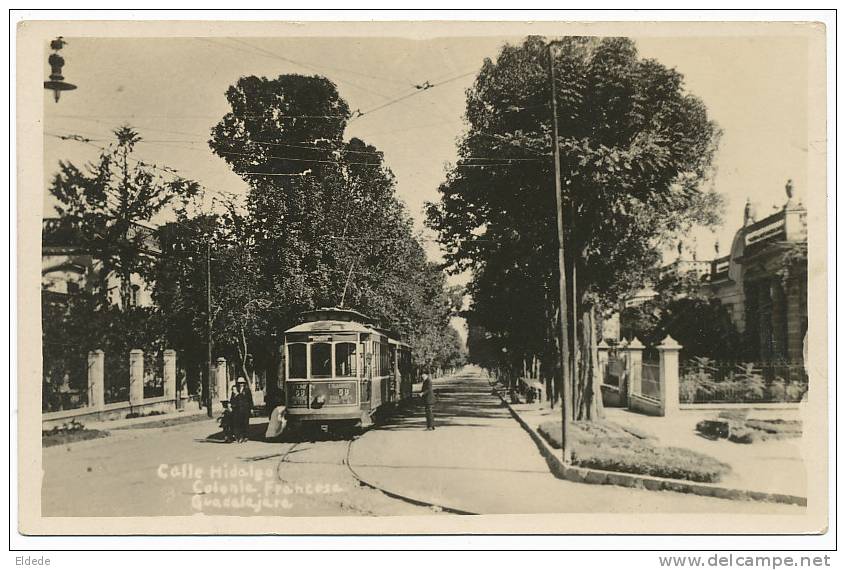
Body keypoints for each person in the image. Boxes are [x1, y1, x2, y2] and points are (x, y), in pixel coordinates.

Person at [230, 377, 254, 443]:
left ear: (244, 383)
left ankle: (245, 436)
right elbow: (232, 399)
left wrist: (251, 408)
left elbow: (250, 399)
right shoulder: (235, 390)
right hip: (238, 409)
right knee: (239, 423)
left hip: (245, 409)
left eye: (242, 383)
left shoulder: (247, 390)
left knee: (245, 423)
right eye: (239, 383)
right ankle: (240, 436)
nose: (241, 384)